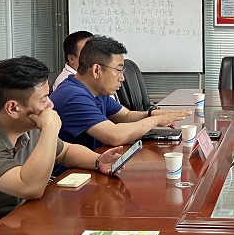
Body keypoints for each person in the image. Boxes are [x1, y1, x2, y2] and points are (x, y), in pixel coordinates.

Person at [0, 56, 123, 235]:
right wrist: (50, 128)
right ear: (13, 108)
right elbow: (30, 188)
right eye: (44, 99)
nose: (51, 105)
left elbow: (65, 151)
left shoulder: (24, 127)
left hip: (11, 226)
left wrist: (98, 161)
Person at [50, 34, 189, 149]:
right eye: (118, 70)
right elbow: (114, 135)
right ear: (97, 70)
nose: (122, 78)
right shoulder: (73, 96)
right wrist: (156, 120)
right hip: (69, 172)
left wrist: (151, 114)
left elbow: (126, 116)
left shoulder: (95, 90)